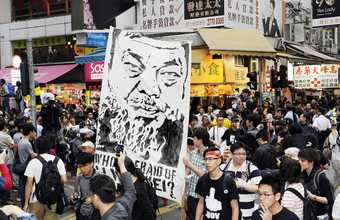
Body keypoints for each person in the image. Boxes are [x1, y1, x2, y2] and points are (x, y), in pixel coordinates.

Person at [97, 32, 189, 167]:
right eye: (133, 66)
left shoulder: (176, 142)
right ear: (111, 73)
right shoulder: (104, 133)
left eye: (170, 75)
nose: (150, 89)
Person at [23, 136, 67, 220]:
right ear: (49, 147)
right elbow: (64, 179)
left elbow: (28, 184)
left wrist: (26, 203)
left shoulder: (33, 162)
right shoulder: (58, 160)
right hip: (53, 198)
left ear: (37, 147)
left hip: (36, 199)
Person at [89, 152, 136, 220]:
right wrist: (121, 165)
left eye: (91, 194)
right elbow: (130, 191)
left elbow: (130, 191)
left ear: (96, 197)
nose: (90, 198)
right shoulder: (123, 204)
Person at [195, 147, 239, 220]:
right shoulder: (202, 180)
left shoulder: (228, 181)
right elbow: (201, 203)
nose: (207, 162)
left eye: (210, 159)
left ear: (219, 161)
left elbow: (235, 207)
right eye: (206, 159)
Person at [222, 142, 262, 219]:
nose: (241, 156)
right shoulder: (223, 168)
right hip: (227, 211)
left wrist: (243, 185)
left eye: (244, 154)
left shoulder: (252, 169)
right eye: (238, 154)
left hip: (246, 212)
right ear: (232, 154)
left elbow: (259, 188)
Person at [114, 156, 156, 220]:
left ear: (120, 173)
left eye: (116, 172)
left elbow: (150, 214)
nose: (116, 175)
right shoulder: (138, 182)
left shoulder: (138, 190)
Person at [298, 148, 334, 219]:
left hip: (320, 215)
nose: (299, 162)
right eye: (299, 160)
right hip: (308, 214)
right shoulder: (302, 174)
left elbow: (329, 200)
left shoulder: (320, 177)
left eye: (303, 161)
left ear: (311, 162)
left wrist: (313, 197)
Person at [183, 127, 208, 220]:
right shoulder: (193, 153)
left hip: (203, 195)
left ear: (200, 140)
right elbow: (188, 171)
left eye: (194, 138)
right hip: (191, 193)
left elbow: (205, 176)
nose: (193, 140)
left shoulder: (209, 155)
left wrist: (189, 165)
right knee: (190, 217)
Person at [71, 152, 100, 220]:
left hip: (95, 214)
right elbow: (76, 193)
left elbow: (105, 197)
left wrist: (92, 199)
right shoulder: (79, 177)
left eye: (85, 165)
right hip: (81, 212)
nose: (82, 169)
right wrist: (74, 197)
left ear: (92, 163)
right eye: (80, 166)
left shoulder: (99, 178)